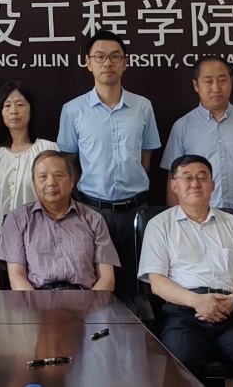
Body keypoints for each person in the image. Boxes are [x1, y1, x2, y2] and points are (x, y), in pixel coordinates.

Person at [138, 155, 233, 387]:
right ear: (174, 185)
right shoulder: (159, 225)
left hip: (232, 313)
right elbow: (157, 282)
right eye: (187, 177)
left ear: (212, 185)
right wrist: (197, 302)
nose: (195, 184)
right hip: (184, 315)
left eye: (202, 177)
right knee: (182, 360)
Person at [56, 29, 160, 297]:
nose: (107, 63)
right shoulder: (73, 110)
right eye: (99, 57)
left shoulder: (143, 106)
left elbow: (146, 159)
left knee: (140, 288)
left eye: (115, 57)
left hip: (137, 210)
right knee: (97, 287)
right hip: (93, 211)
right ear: (88, 63)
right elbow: (69, 162)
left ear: (125, 63)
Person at [160, 57, 233, 254]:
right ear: (196, 85)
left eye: (222, 80)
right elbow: (174, 184)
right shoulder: (182, 127)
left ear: (231, 82)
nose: (216, 88)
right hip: (198, 234)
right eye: (208, 81)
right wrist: (177, 230)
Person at [0, 150, 118, 291]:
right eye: (42, 177)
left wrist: (90, 305)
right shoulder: (17, 219)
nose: (51, 183)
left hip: (85, 298)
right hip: (36, 299)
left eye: (58, 176)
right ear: (34, 182)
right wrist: (35, 305)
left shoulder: (94, 220)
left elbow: (107, 279)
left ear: (72, 180)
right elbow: (17, 278)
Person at [0, 81, 58, 239]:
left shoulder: (47, 149)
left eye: (20, 104)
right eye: (7, 105)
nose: (14, 111)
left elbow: (55, 196)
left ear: (31, 110)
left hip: (39, 237)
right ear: (1, 112)